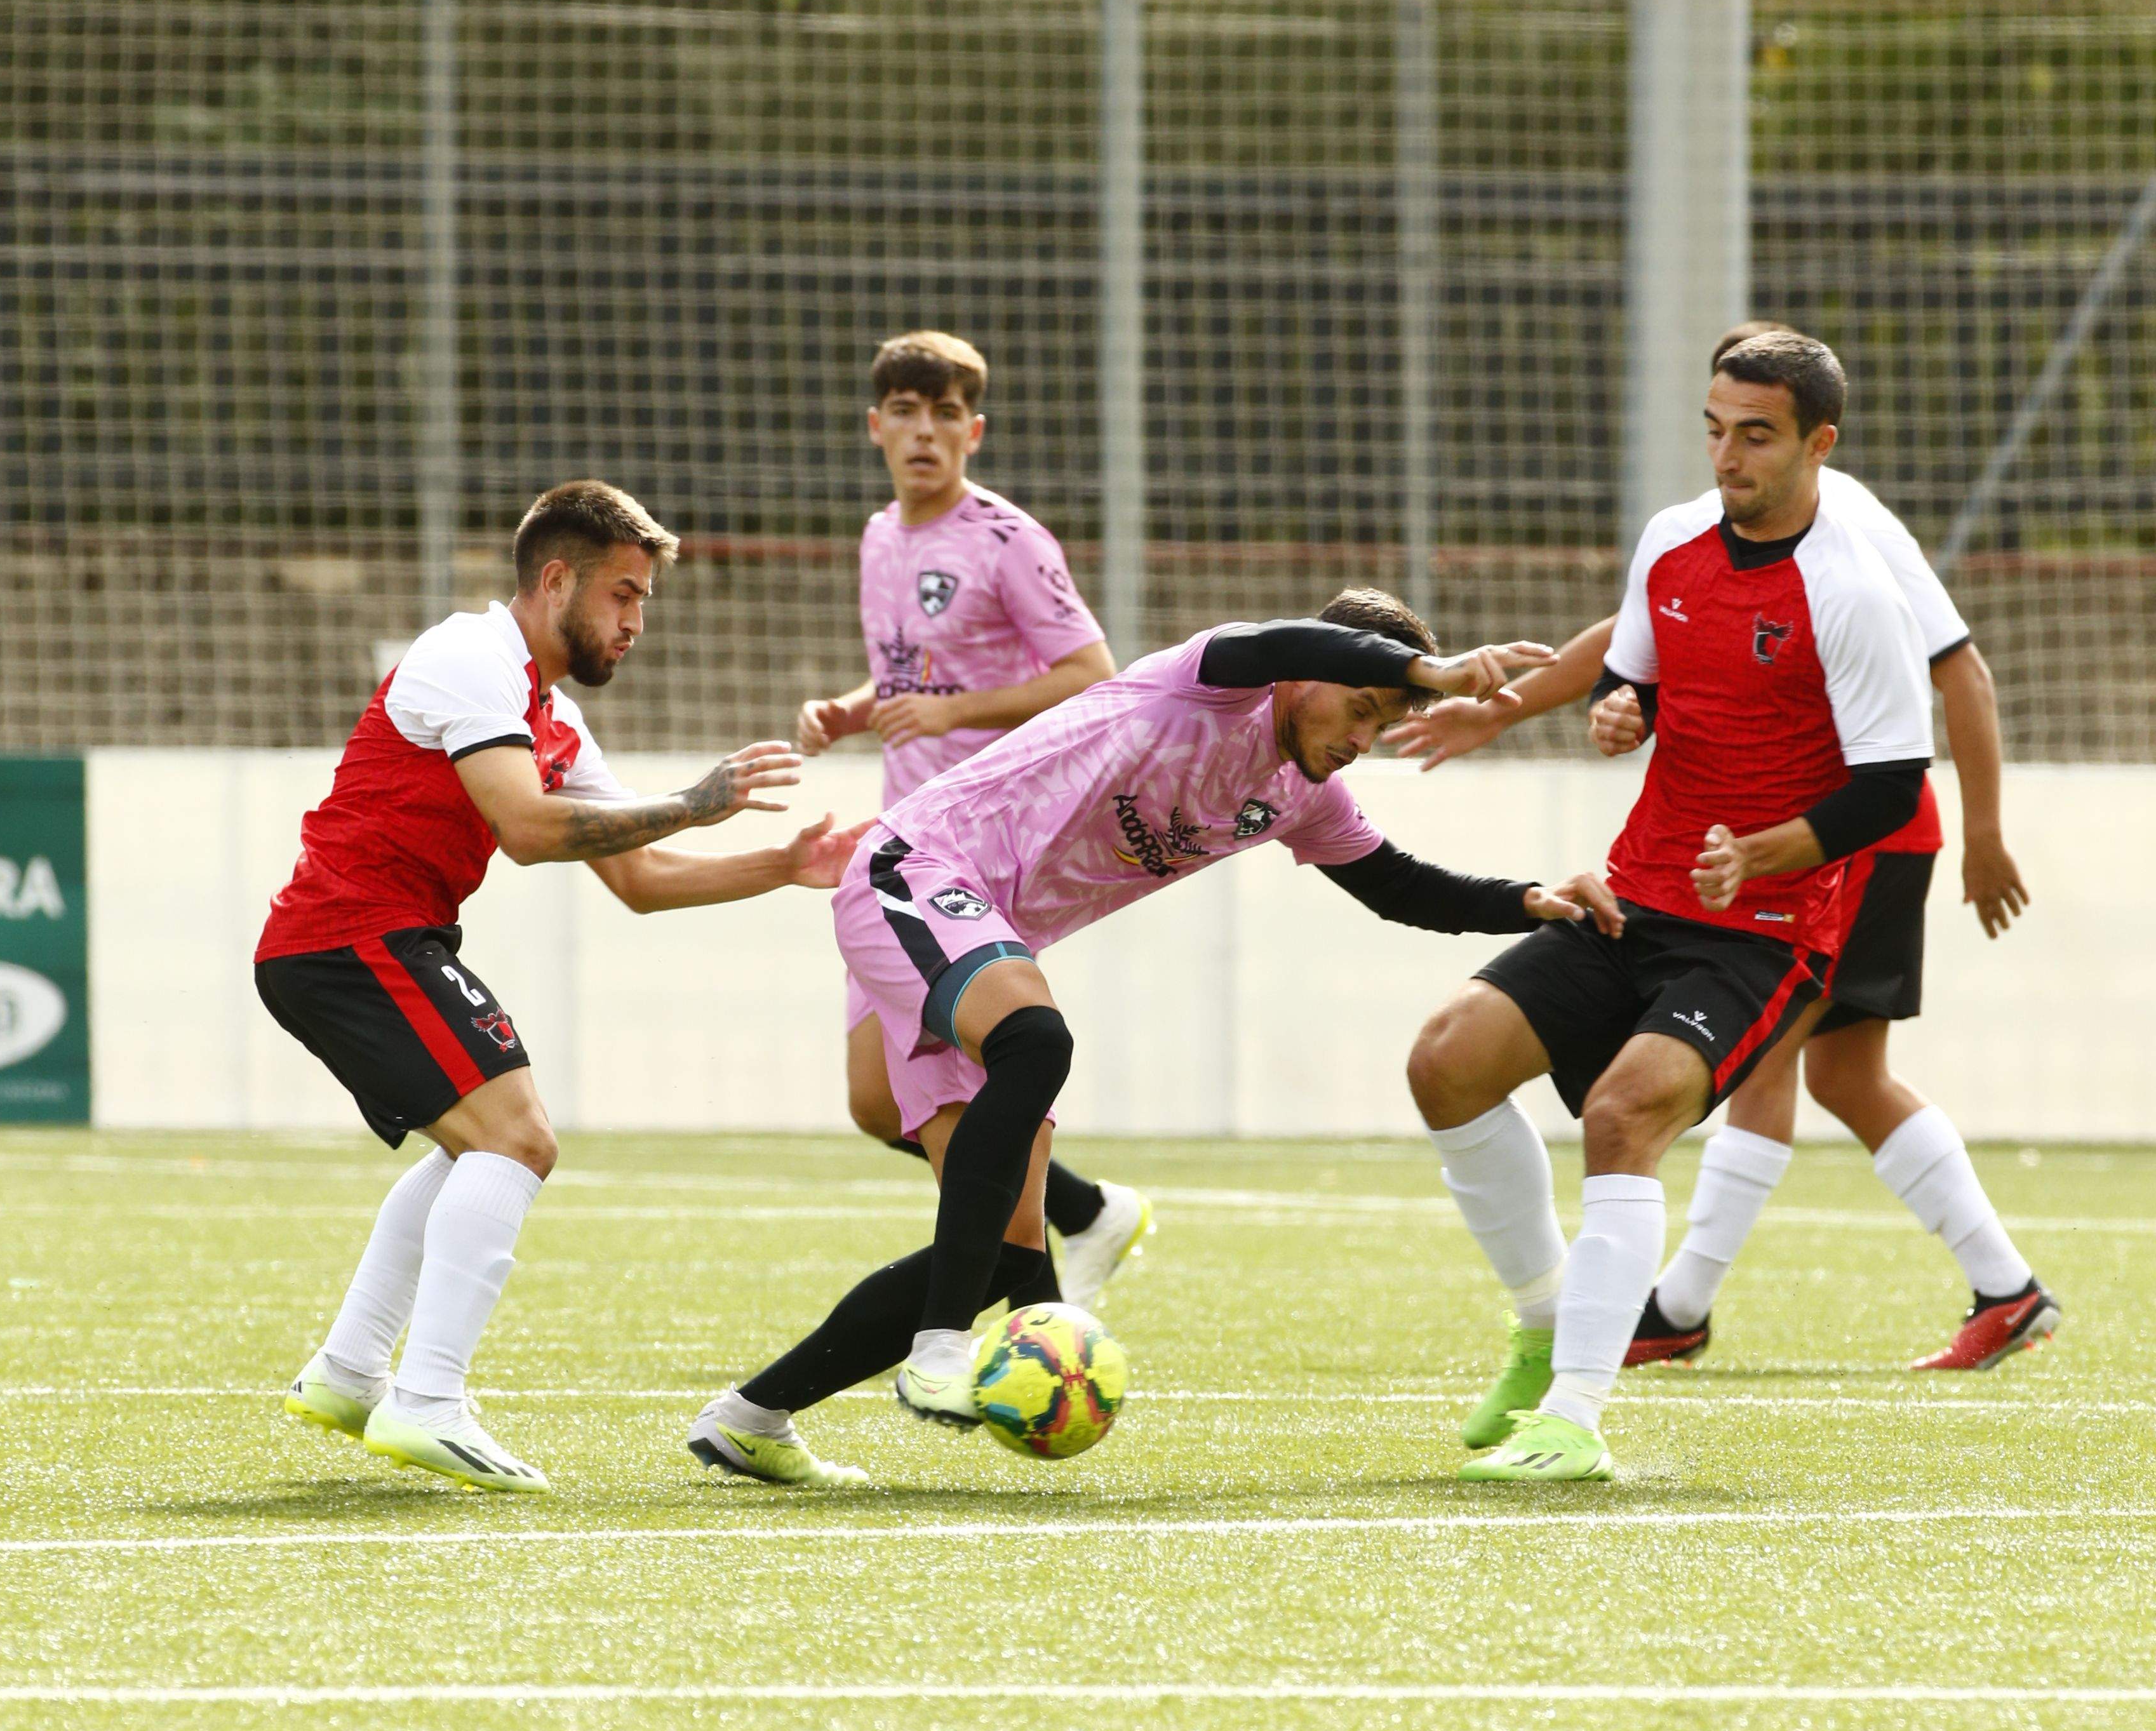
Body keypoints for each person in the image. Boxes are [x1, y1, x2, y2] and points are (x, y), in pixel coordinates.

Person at [690, 593, 1616, 1485]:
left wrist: (1526, 901)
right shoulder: (1209, 682)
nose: (1360, 740)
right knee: (1037, 1042)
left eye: (1381, 727)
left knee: (1002, 1253)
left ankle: (750, 1419)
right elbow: (1272, 639)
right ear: (1307, 674)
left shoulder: (1303, 794)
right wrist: (1436, 669)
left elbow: (1401, 887)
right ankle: (937, 1351)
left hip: (982, 932)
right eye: (1361, 708)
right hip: (917, 869)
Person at [1403, 327, 2052, 1375]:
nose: (1728, 453)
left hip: (1856, 836)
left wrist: (1983, 831)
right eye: (1717, 429)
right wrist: (1525, 708)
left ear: (1814, 440)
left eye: (1755, 432)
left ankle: (1715, 1302)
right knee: (1818, 1070)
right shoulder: (1701, 534)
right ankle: (1710, 1301)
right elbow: (1645, 641)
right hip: (1742, 845)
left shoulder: (1856, 546)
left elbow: (1960, 675)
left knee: (1801, 1067)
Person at [258, 479, 867, 1494]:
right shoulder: (469, 656)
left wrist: (779, 866)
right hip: (347, 939)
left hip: (375, 942)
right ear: (555, 581)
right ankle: (427, 1402)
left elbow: (639, 881)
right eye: (623, 596)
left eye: (642, 603)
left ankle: (352, 1371)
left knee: (481, 1145)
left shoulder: (554, 717)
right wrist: (694, 801)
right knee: (519, 1138)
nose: (636, 623)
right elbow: (531, 831)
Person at [796, 327, 1153, 1303]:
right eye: (905, 413)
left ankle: (1020, 1300)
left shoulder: (1007, 540)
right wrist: (854, 708)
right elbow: (914, 674)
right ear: (875, 427)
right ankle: (1083, 1216)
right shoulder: (881, 538)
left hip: (987, 844)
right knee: (879, 1101)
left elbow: (1093, 674)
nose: (924, 432)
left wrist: (951, 714)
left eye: (945, 414)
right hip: (899, 842)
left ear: (975, 431)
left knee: (965, 1091)